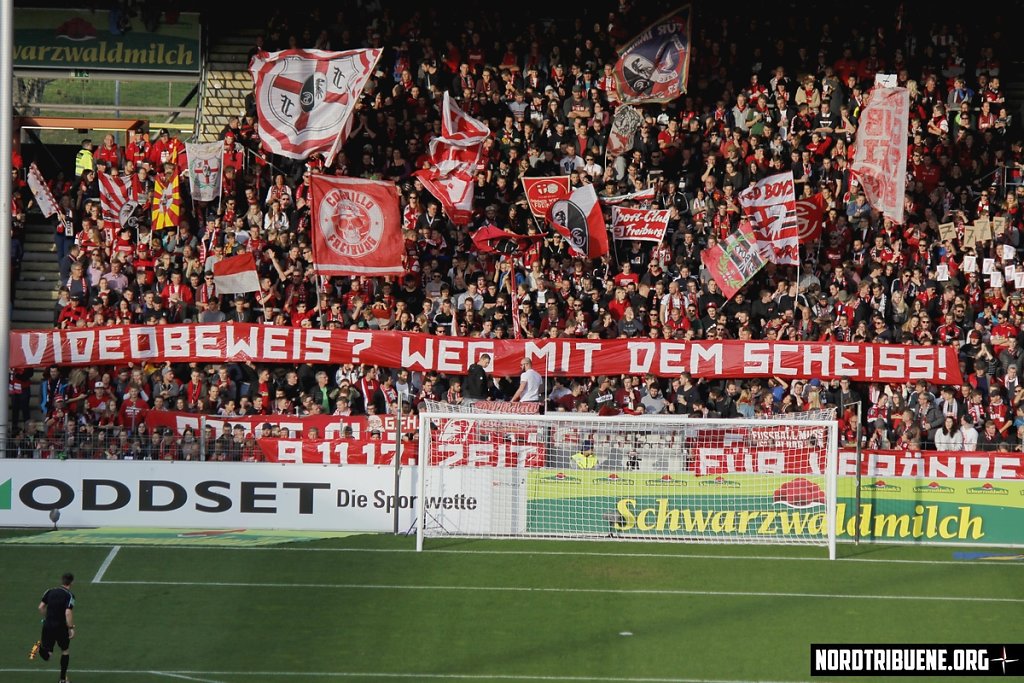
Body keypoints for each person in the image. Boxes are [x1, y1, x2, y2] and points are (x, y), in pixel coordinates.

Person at [30, 572, 76, 683]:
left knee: (48, 655)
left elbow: (40, 607)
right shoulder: (69, 595)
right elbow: (68, 613)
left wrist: (48, 617)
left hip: (48, 625)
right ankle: (62, 679)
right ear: (71, 583)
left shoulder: (49, 591)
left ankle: (38, 646)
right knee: (65, 651)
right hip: (60, 627)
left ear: (62, 581)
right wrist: (70, 627)